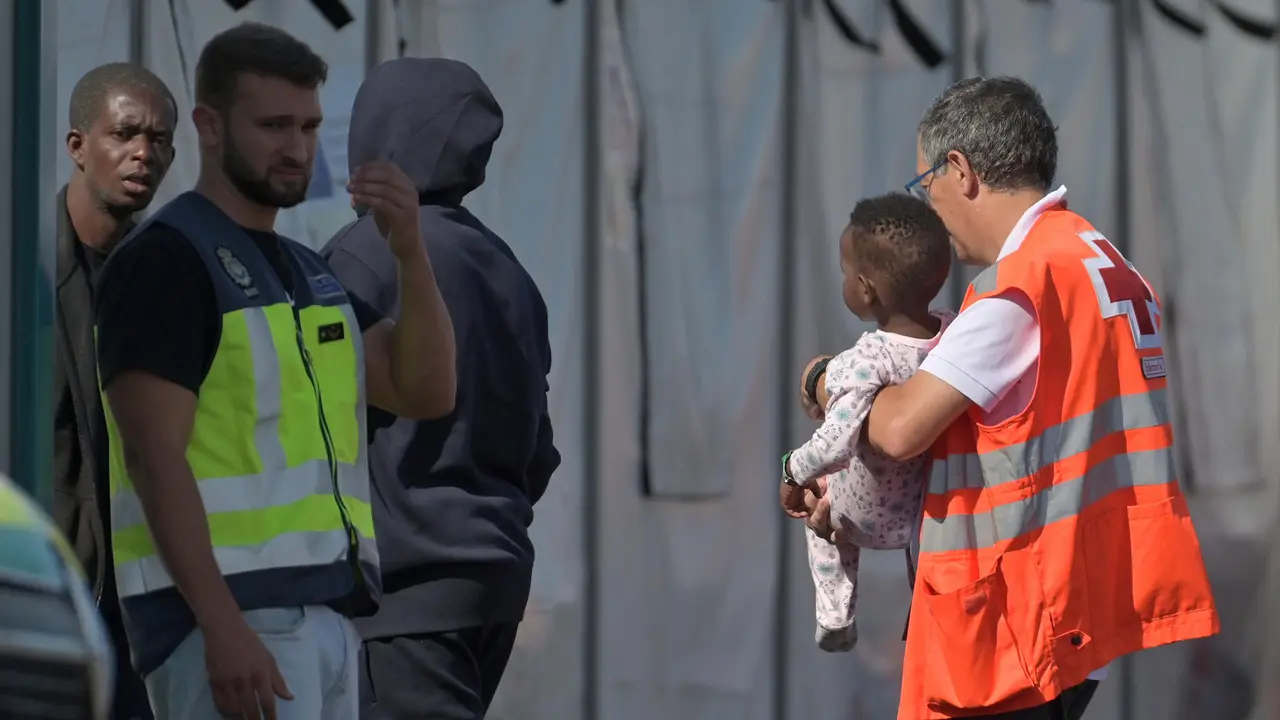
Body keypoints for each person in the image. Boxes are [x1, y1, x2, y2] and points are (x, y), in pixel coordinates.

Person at [93, 24, 456, 720]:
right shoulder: (165, 261)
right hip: (230, 623)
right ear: (208, 125)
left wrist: (410, 253)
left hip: (325, 620)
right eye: (273, 125)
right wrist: (222, 625)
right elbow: (151, 454)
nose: (296, 147)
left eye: (310, 125)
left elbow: (426, 390)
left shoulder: (306, 271)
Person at [855, 76, 1219, 719]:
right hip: (1078, 610)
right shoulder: (1102, 261)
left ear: (959, 171)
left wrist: (827, 376)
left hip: (1010, 628)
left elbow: (898, 429)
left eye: (924, 185)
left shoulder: (1021, 287)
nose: (924, 208)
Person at [322, 57, 560, 719]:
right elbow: (537, 449)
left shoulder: (363, 256)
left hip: (400, 588)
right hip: (493, 576)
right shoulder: (508, 270)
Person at [54, 62, 177, 720]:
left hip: (137, 607)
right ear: (77, 146)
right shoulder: (19, 274)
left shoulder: (169, 280)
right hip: (41, 588)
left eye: (158, 141)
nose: (142, 154)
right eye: (125, 134)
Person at [780, 193, 954, 654]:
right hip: (921, 515)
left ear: (865, 288)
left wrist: (792, 470)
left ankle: (836, 613)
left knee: (820, 502)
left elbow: (835, 444)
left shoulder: (868, 358)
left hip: (862, 514)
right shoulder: (955, 335)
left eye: (844, 272)